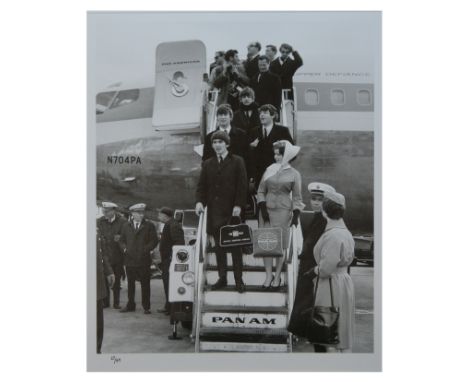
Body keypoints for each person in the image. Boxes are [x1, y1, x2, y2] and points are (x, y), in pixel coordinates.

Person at [195, 131, 248, 293]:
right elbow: (201, 187)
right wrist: (199, 202)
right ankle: (222, 277)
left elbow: (242, 185)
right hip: (215, 213)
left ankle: (239, 280)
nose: (217, 145)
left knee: (235, 248)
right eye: (214, 142)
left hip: (232, 212)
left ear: (227, 144)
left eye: (220, 142)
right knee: (219, 248)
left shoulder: (238, 161)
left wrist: (238, 205)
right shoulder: (208, 164)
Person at [287, 182, 336, 352]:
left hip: (314, 274)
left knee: (316, 311)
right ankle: (317, 343)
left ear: (327, 202)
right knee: (310, 310)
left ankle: (320, 347)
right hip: (308, 272)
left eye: (319, 199)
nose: (315, 202)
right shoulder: (318, 218)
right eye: (313, 198)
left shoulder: (325, 221)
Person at [311, 191, 355, 352]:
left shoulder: (332, 235)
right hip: (342, 282)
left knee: (328, 329)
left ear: (325, 210)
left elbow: (325, 269)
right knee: (342, 328)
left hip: (331, 284)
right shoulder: (344, 232)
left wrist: (316, 269)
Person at [257, 140, 304, 289]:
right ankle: (268, 274)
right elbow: (260, 190)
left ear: (287, 156)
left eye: (279, 154)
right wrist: (262, 206)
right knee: (266, 244)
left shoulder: (295, 174)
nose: (276, 157)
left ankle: (277, 275)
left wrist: (296, 213)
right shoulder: (269, 170)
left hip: (283, 212)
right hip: (267, 211)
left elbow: (297, 197)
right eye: (275, 154)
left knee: (281, 245)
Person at [119, 203, 158, 314]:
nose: (141, 215)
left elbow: (154, 241)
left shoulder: (149, 225)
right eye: (139, 213)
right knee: (130, 284)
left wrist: (146, 249)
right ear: (132, 214)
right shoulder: (126, 226)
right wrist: (125, 249)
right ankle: (130, 305)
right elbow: (121, 241)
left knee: (145, 284)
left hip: (143, 260)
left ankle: (146, 307)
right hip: (130, 260)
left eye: (142, 213)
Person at [249, 104, 293, 188]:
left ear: (273, 115)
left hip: (277, 176)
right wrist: (251, 147)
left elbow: (292, 153)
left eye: (265, 113)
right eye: (260, 113)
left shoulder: (283, 131)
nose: (261, 115)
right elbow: (248, 156)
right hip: (258, 177)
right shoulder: (254, 131)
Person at [202, 104, 250, 172]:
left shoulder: (241, 135)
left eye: (225, 115)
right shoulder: (209, 137)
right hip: (216, 175)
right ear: (217, 118)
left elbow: (248, 157)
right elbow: (206, 158)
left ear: (231, 117)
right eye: (220, 115)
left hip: (237, 173)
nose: (223, 117)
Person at [97, 201, 126, 309]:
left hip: (117, 256)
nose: (105, 213)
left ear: (113, 211)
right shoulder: (99, 221)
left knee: (117, 280)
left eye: (107, 211)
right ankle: (106, 302)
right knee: (104, 280)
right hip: (105, 255)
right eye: (104, 211)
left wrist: (120, 239)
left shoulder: (122, 221)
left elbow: (126, 236)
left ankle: (116, 303)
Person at [157, 206, 185, 314]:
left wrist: (172, 258)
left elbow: (179, 243)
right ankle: (168, 307)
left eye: (160, 214)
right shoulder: (170, 224)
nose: (158, 216)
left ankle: (171, 308)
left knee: (169, 284)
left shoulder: (173, 225)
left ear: (165, 216)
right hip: (167, 260)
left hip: (169, 261)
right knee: (167, 284)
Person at [96, 227, 114, 354]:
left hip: (97, 283)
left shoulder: (96, 230)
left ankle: (97, 350)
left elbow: (102, 254)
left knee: (97, 321)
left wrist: (109, 271)